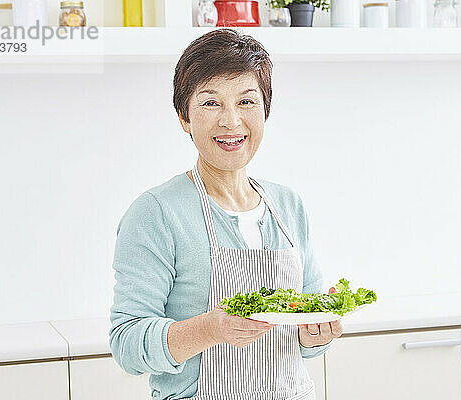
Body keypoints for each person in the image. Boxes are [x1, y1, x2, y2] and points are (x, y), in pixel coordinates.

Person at [109, 28, 343, 400]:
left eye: (247, 102)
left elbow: (305, 333)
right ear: (184, 117)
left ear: (265, 110)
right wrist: (211, 329)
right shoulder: (157, 213)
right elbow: (127, 344)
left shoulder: (288, 206)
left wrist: (316, 334)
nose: (231, 122)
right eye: (211, 103)